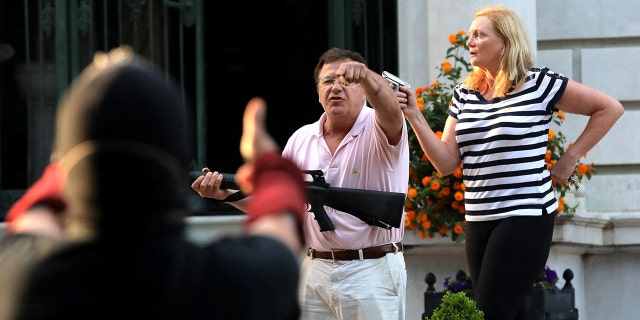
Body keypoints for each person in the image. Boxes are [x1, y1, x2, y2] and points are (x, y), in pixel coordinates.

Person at [13, 46, 307, 320]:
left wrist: (69, 158)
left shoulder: (22, 278)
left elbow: (35, 210)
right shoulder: (231, 282)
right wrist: (269, 166)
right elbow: (280, 224)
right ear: (177, 161)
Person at [396, 6, 624, 320]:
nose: (469, 42)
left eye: (479, 35)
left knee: (490, 311)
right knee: (507, 312)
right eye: (470, 35)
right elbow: (447, 163)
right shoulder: (464, 94)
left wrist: (570, 158)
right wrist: (414, 115)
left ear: (505, 41)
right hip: (478, 218)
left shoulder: (539, 83)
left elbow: (609, 108)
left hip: (526, 215)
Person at [192, 47, 410, 320]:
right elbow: (278, 205)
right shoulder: (300, 138)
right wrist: (222, 193)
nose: (337, 87)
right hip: (314, 269)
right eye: (328, 81)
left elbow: (390, 109)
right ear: (318, 92)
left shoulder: (381, 126)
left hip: (371, 270)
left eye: (347, 80)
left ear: (364, 90)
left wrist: (366, 76)